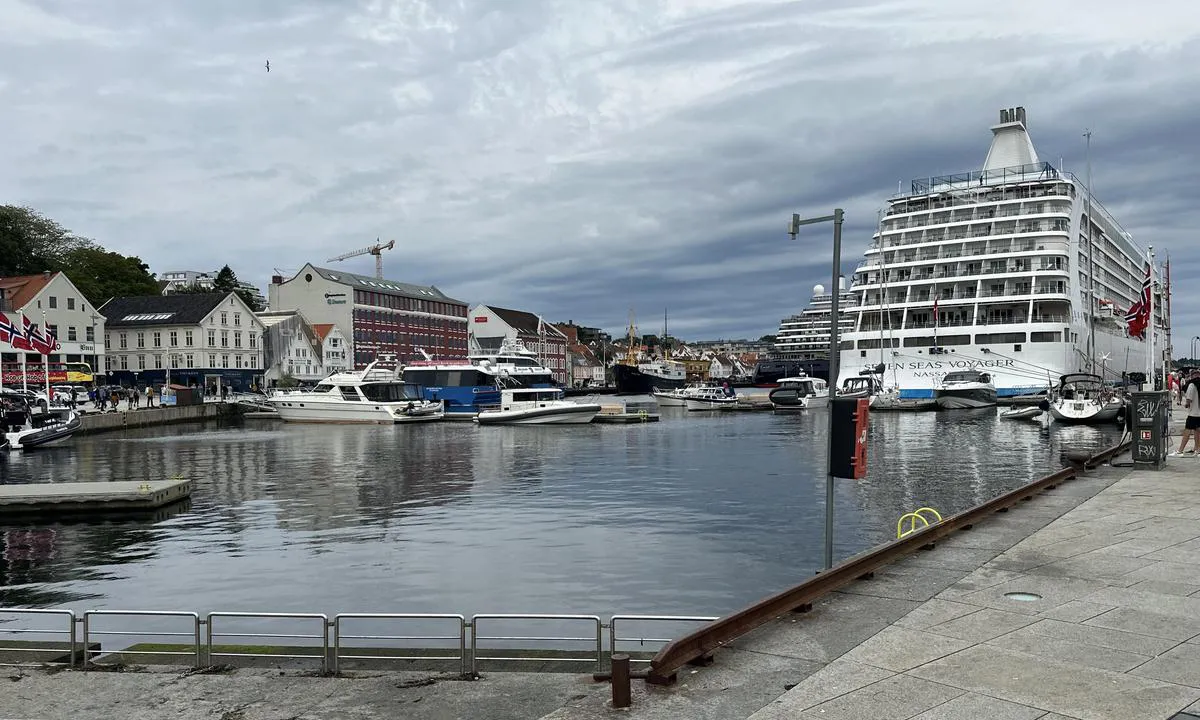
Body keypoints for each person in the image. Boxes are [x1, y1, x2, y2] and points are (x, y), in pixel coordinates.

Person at [1172, 369, 1200, 457]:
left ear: (1191, 376)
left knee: (1187, 431)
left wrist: (1186, 404)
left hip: (1193, 413)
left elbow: (1189, 399)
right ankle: (1197, 449)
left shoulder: (1192, 385)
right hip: (1199, 413)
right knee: (1197, 431)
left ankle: (1180, 450)